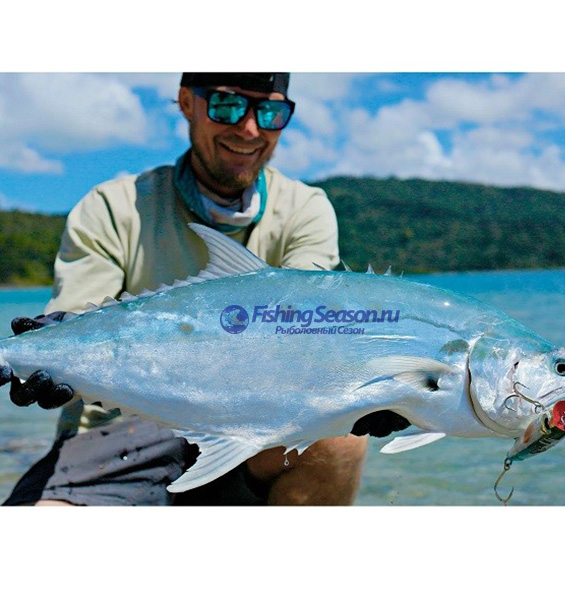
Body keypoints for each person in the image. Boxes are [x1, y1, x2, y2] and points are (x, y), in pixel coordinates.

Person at [1, 73, 409, 506]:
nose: (249, 129)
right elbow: (75, 319)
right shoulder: (113, 207)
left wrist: (368, 390)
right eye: (226, 105)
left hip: (250, 429)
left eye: (270, 112)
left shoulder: (304, 210)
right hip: (117, 433)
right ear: (186, 102)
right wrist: (50, 347)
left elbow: (306, 339)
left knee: (340, 442)